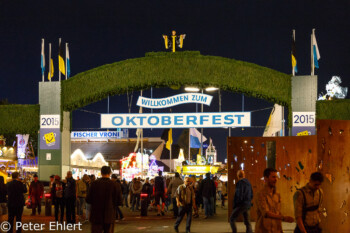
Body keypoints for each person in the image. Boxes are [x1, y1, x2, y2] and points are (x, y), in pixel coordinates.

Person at [255, 168, 294, 233]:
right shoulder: (260, 194)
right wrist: (283, 218)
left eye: (276, 177)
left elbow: (278, 212)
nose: (276, 179)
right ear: (266, 178)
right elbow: (266, 213)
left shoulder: (277, 194)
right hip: (264, 230)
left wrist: (280, 230)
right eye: (273, 177)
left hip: (276, 230)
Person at [86, 166, 122, 233]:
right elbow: (119, 201)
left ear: (101, 172)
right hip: (109, 215)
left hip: (96, 215)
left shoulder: (94, 184)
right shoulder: (115, 185)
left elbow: (88, 199)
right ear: (110, 173)